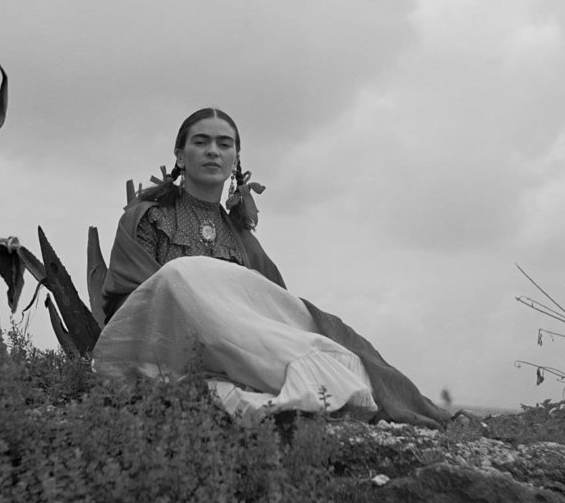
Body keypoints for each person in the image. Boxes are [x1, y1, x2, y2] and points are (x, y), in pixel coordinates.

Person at [92, 108, 449, 428]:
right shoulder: (148, 218)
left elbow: (270, 314)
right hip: (165, 346)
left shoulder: (243, 240)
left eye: (224, 144)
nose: (213, 150)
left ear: (235, 159)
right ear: (180, 156)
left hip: (234, 352)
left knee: (337, 357)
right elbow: (134, 304)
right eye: (201, 142)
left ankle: (319, 378)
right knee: (178, 275)